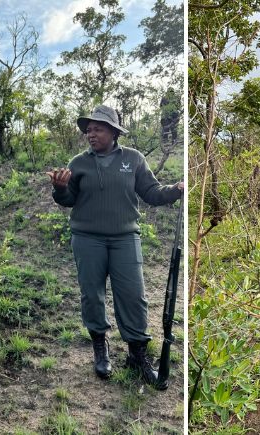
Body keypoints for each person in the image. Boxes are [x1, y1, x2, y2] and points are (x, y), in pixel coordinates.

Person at [47, 105, 183, 385]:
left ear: (113, 132)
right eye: (89, 129)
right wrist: (60, 188)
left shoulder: (133, 159)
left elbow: (151, 192)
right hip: (87, 238)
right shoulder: (78, 163)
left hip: (125, 238)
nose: (90, 134)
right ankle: (101, 347)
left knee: (133, 295)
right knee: (92, 295)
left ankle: (137, 354)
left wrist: (175, 190)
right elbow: (68, 200)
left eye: (97, 128)